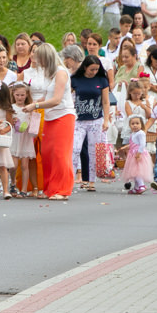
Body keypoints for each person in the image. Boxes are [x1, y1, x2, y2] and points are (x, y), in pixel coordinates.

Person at [21, 43, 76, 200]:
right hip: (50, 117)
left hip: (63, 116)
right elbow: (47, 96)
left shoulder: (61, 73)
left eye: (41, 60)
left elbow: (56, 100)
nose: (39, 63)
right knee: (47, 153)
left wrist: (35, 105)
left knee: (60, 153)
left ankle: (62, 189)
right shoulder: (49, 73)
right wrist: (31, 105)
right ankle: (50, 187)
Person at [71, 56, 111, 192]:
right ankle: (70, 180)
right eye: (91, 69)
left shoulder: (102, 80)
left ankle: (91, 180)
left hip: (96, 120)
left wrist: (106, 120)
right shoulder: (75, 80)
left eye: (96, 69)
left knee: (93, 150)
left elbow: (105, 101)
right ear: (85, 67)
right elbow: (69, 97)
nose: (93, 72)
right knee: (75, 149)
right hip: (78, 120)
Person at [9, 82, 37, 198]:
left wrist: (30, 122)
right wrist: (12, 121)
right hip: (15, 138)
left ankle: (24, 189)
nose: (20, 97)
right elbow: (7, 122)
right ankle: (13, 182)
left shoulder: (29, 108)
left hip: (25, 138)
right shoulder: (11, 108)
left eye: (22, 95)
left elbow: (34, 122)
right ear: (13, 95)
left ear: (26, 95)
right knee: (13, 165)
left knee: (25, 165)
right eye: (17, 95)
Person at [121, 116, 153, 194]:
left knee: (137, 171)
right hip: (133, 154)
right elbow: (134, 144)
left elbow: (142, 144)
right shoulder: (133, 134)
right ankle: (136, 187)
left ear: (141, 124)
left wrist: (139, 154)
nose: (135, 125)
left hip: (138, 154)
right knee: (134, 172)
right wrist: (126, 147)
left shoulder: (141, 133)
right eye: (132, 124)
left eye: (137, 123)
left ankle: (141, 186)